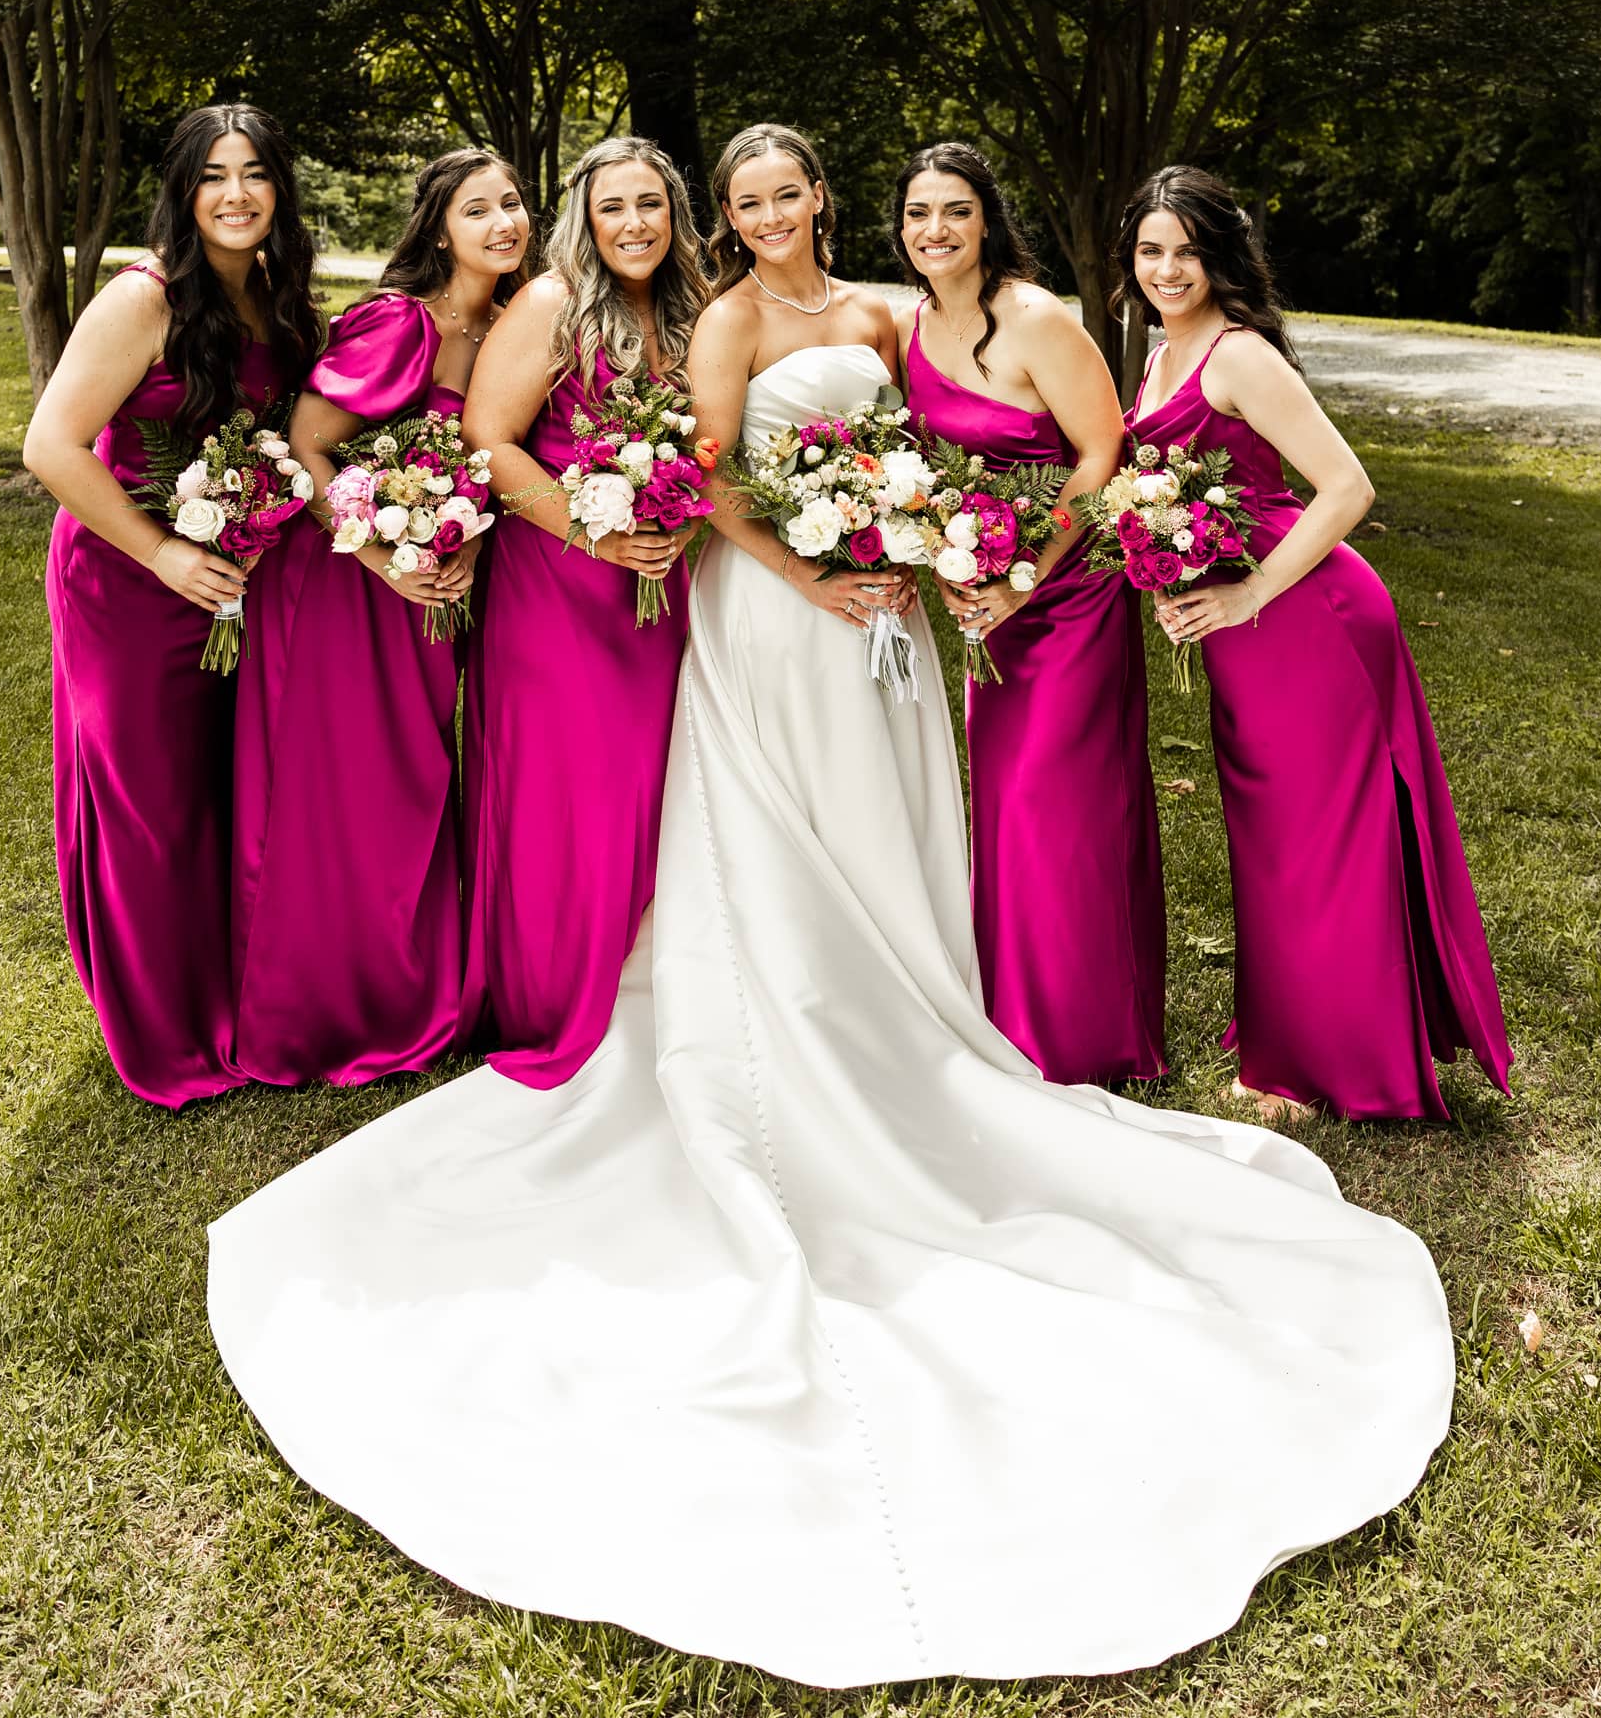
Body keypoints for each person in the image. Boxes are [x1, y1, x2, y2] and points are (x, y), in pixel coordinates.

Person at [208, 124, 1458, 1690]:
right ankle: (785, 1018)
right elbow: (708, 478)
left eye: (779, 192)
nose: (762, 215)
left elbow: (961, 444)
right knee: (760, 836)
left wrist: (926, 542)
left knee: (886, 826)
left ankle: (911, 1003)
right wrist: (809, 572)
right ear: (721, 218)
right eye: (738, 200)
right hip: (770, 610)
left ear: (816, 198)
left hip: (888, 623)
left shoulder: (880, 312)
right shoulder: (721, 320)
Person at [1119, 165, 1512, 1121]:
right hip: (1245, 627)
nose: (1168, 270)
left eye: (1187, 252)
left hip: (1307, 617)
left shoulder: (1239, 354)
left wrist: (1248, 589)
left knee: (1316, 837)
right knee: (1272, 835)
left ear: (1221, 257)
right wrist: (1177, 582)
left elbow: (1347, 487)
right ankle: (1297, 1035)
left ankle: (1326, 1063)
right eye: (1150, 251)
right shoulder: (1161, 352)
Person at [25, 105, 320, 1107]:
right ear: (183, 192)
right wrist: (160, 553)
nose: (236, 194)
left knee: (218, 791)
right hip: (126, 578)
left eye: (255, 173)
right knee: (149, 801)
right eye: (213, 175)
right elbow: (51, 445)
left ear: (279, 189)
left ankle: (226, 995)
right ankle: (164, 1029)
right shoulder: (141, 299)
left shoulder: (279, 299)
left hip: (230, 576)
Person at [228, 149, 531, 1086]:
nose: (501, 223)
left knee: (417, 774)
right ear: (438, 228)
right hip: (341, 584)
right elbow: (307, 445)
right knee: (348, 784)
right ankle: (323, 1008)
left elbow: (491, 465)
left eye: (511, 203)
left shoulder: (512, 326)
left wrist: (462, 541)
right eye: (476, 209)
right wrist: (379, 556)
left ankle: (412, 984)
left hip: (430, 586)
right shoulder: (399, 321)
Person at [895, 140, 1165, 1084]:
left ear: (987, 222)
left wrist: (1028, 570)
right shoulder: (910, 327)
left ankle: (1084, 1035)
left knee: (1062, 807)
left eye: (955, 211)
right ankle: (1011, 1013)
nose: (935, 229)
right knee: (1005, 807)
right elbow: (925, 470)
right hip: (989, 603)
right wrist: (948, 558)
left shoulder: (1034, 317)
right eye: (918, 213)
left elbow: (1101, 453)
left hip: (1071, 594)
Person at [456, 134, 707, 1086]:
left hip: (658, 588)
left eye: (650, 204)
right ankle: (552, 996)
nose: (633, 224)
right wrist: (596, 538)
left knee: (647, 787)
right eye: (613, 207)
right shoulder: (553, 303)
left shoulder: (694, 311)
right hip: (557, 587)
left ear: (674, 213)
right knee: (568, 793)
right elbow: (489, 439)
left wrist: (681, 519)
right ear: (583, 219)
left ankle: (643, 984)